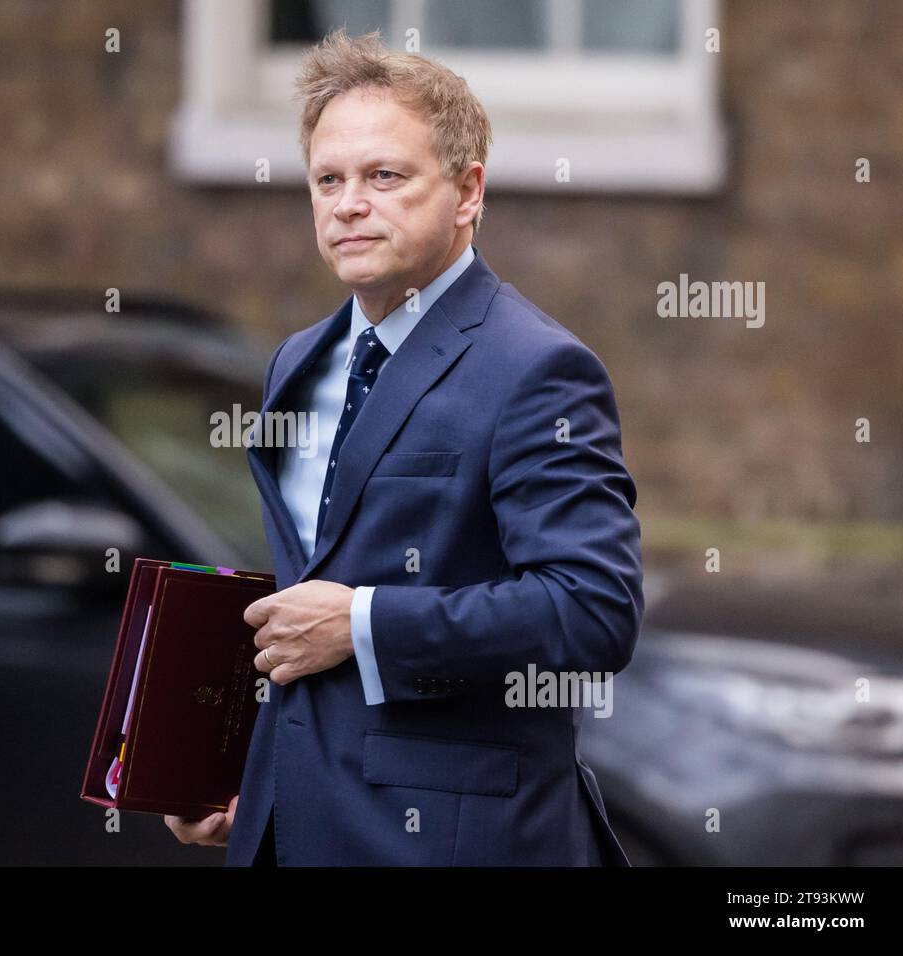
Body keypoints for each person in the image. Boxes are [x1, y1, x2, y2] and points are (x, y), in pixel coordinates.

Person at [166, 29, 643, 866]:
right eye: (328, 180)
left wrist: (364, 622)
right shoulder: (296, 361)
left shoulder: (538, 370)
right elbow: (303, 614)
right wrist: (246, 783)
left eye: (385, 176)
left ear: (468, 192)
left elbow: (591, 611)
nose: (349, 203)